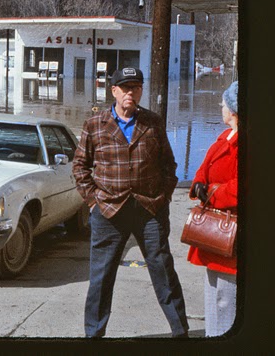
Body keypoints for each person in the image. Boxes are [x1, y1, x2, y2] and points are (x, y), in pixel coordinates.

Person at [72, 67, 188, 339]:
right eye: (125, 88)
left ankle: (181, 334)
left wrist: (164, 197)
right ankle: (93, 335)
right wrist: (93, 201)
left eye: (136, 87)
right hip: (108, 212)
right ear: (113, 91)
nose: (130, 93)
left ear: (141, 91)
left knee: (163, 271)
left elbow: (168, 165)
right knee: (100, 278)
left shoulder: (153, 122)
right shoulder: (95, 124)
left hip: (149, 209)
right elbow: (80, 167)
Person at [187, 81, 239, 337]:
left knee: (227, 299)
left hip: (230, 232)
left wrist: (214, 193)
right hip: (213, 232)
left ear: (234, 110)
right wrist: (198, 183)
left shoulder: (245, 143)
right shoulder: (224, 137)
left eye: (224, 103)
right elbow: (204, 167)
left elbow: (244, 186)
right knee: (213, 293)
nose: (221, 107)